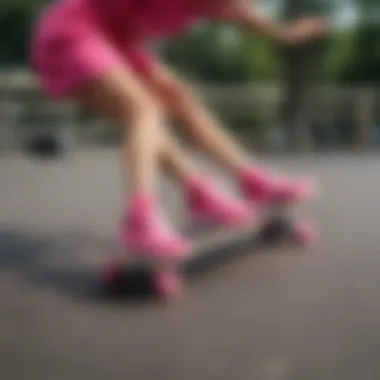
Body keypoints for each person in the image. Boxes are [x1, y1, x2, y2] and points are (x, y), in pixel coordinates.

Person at [30, 0, 325, 266]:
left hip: (115, 40)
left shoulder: (222, 5)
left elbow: (244, 14)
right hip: (73, 33)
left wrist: (286, 33)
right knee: (144, 110)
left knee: (180, 99)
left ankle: (242, 183)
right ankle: (140, 220)